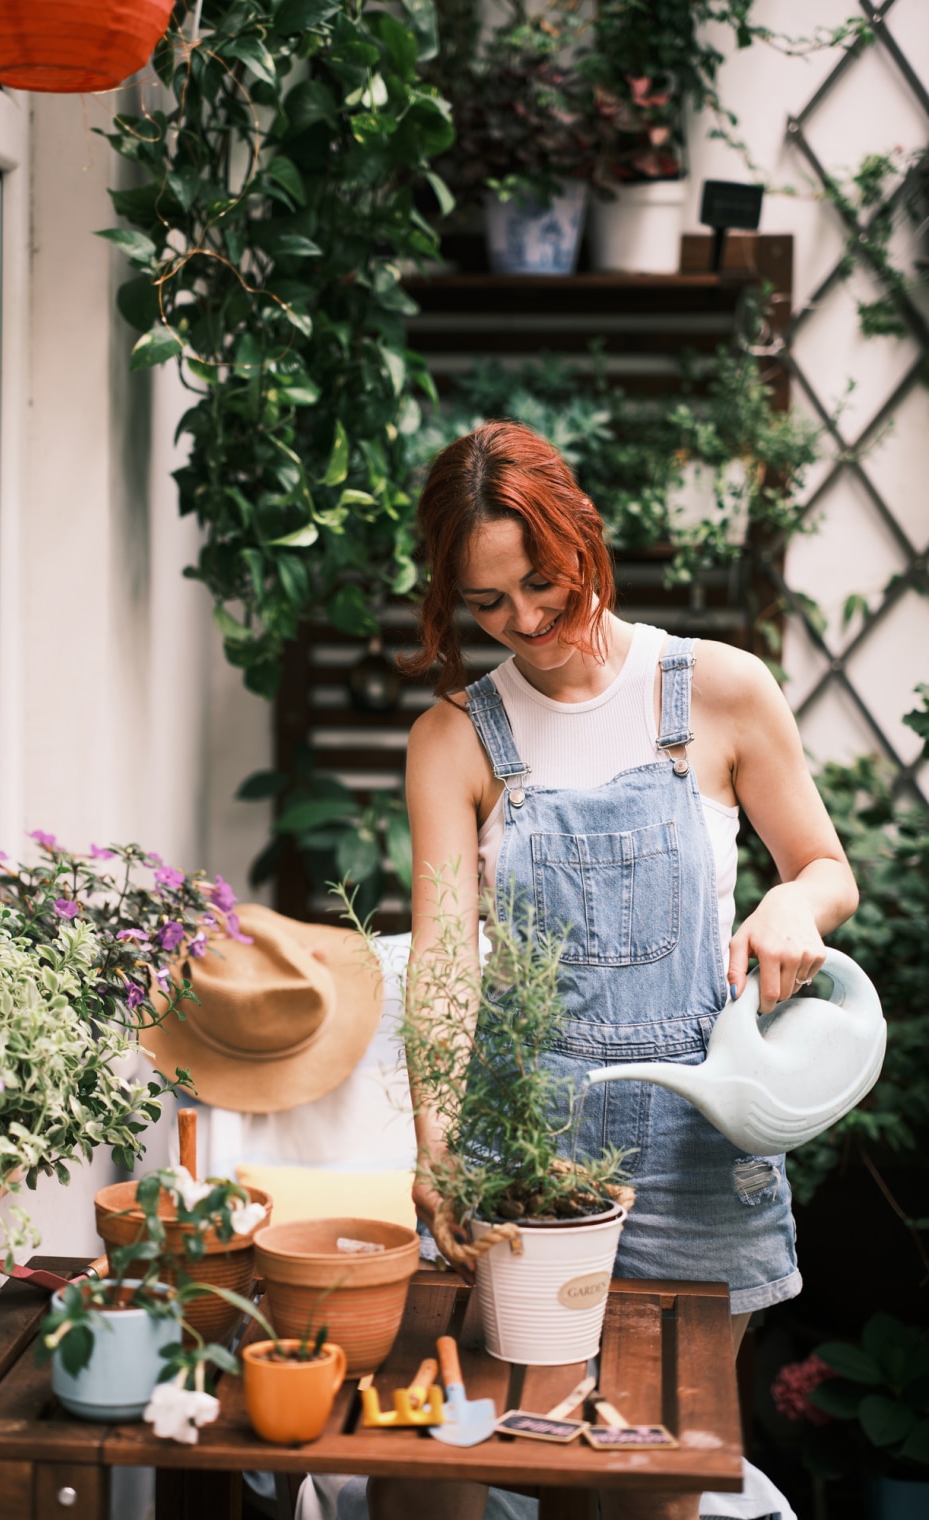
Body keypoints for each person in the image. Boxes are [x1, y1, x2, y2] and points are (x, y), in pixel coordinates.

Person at [372, 421, 858, 1520]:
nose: (524, 620)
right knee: (476, 1462)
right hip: (522, 1147)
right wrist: (437, 1150)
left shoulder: (720, 690)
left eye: (541, 581)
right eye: (487, 602)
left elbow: (827, 869)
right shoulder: (454, 738)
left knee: (651, 1483)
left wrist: (793, 901)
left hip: (700, 1149)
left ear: (583, 536)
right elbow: (445, 964)